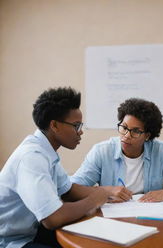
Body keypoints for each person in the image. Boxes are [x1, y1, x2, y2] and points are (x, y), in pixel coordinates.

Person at [0, 87, 111, 248]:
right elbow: (52, 218)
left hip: (29, 230)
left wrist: (106, 194)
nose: (80, 132)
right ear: (54, 125)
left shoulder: (45, 150)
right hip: (9, 241)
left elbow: (68, 190)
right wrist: (93, 200)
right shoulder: (31, 157)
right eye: (76, 125)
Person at [71, 98, 163, 203]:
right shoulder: (102, 152)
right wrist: (106, 191)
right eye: (124, 127)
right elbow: (73, 189)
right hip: (113, 221)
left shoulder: (160, 151)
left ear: (147, 136)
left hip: (151, 218)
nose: (126, 135)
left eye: (136, 131)